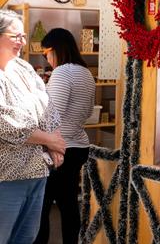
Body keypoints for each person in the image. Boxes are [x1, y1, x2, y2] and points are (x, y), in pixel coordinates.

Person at [0, 10, 65, 244]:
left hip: (37, 172)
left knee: (26, 238)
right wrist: (50, 141)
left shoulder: (24, 69)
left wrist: (56, 142)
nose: (22, 42)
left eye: (24, 36)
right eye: (16, 36)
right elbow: (5, 123)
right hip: (5, 176)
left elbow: (48, 105)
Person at [34, 28, 96, 244]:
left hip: (57, 149)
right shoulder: (86, 72)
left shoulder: (62, 73)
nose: (47, 58)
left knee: (41, 207)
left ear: (57, 49)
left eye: (46, 52)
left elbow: (51, 115)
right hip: (78, 147)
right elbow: (89, 111)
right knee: (69, 204)